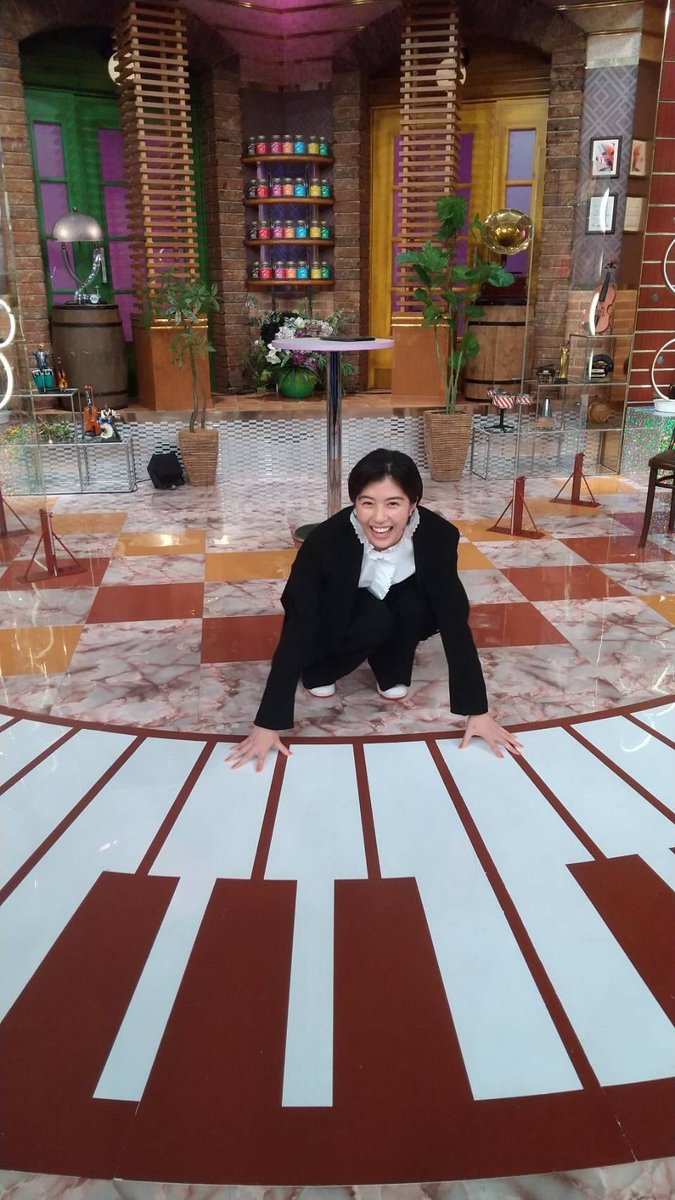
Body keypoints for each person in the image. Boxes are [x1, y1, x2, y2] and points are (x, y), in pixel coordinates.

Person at [227, 448, 523, 771]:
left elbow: (453, 619)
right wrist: (268, 722)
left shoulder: (438, 536)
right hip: (335, 618)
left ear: (413, 504)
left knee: (414, 606)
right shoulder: (326, 542)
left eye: (393, 504)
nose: (379, 518)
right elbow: (299, 621)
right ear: (355, 503)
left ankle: (391, 667)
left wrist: (477, 710)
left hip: (395, 606)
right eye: (367, 503)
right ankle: (320, 670)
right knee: (374, 619)